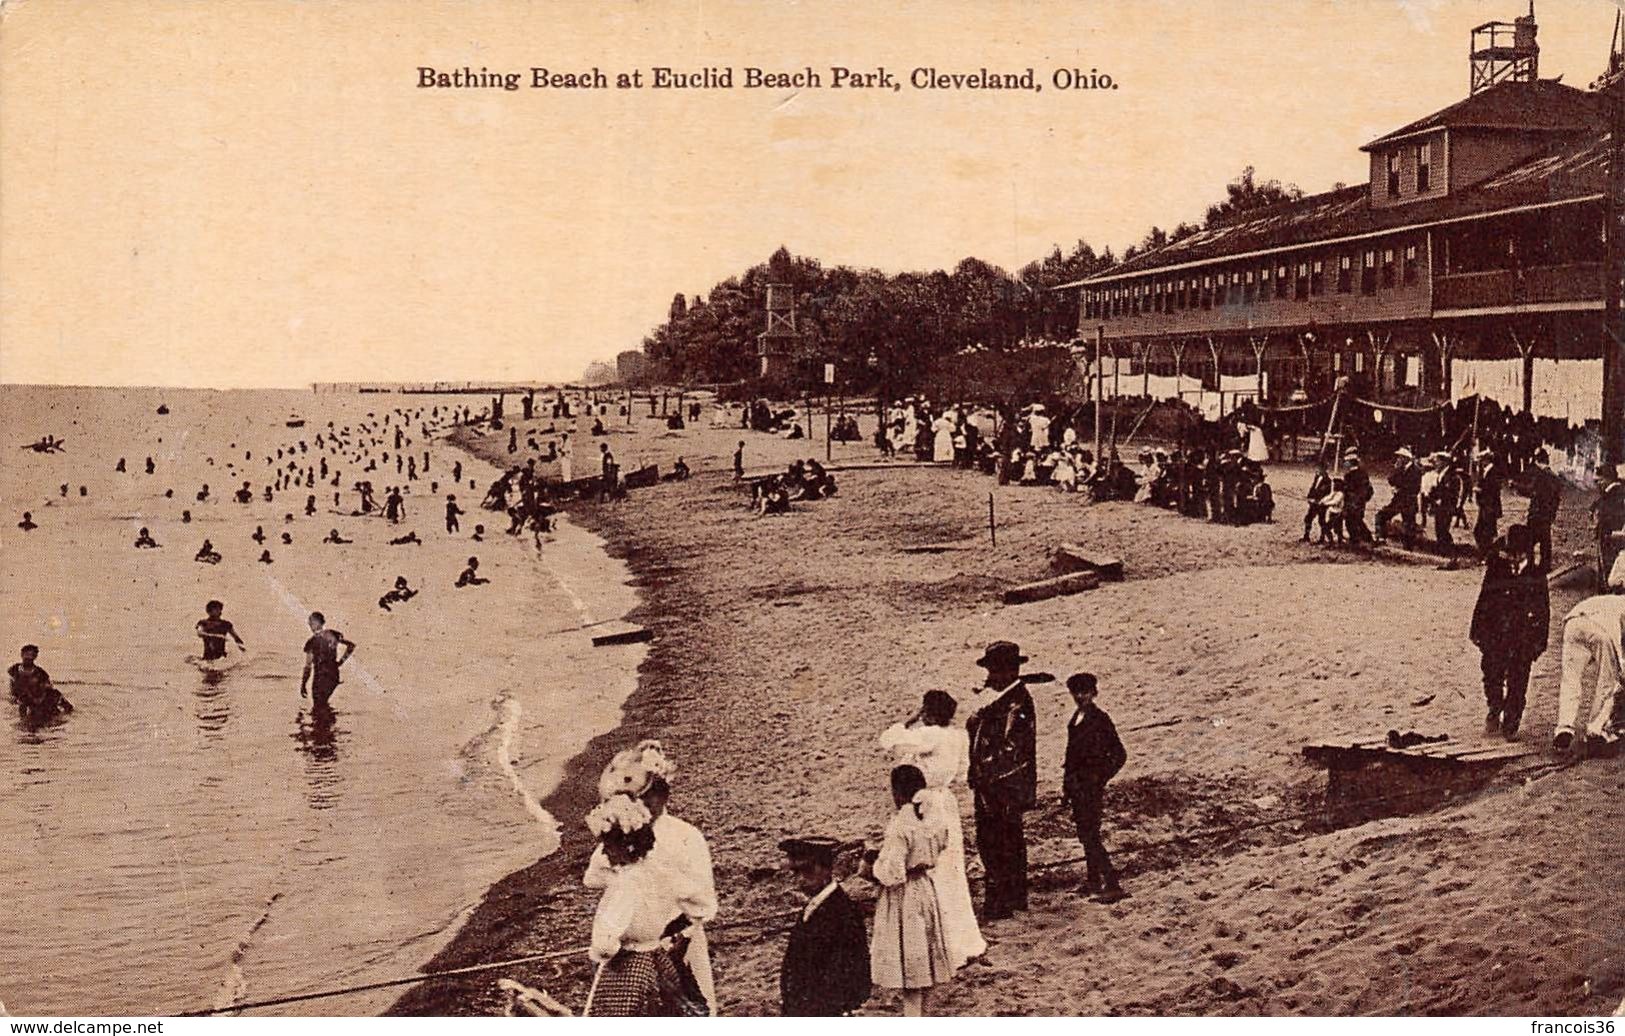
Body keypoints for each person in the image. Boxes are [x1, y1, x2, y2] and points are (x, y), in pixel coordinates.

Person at [586, 741, 718, 1014]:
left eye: (651, 797)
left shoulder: (686, 836)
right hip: (636, 940)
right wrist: (626, 875)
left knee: (687, 1006)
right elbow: (593, 877)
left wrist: (680, 934)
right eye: (639, 799)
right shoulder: (626, 833)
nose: (646, 804)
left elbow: (704, 903)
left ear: (664, 796)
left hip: (682, 938)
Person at [879, 690, 985, 968]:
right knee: (952, 871)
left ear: (928, 711)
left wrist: (910, 720)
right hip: (946, 801)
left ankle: (944, 944)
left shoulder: (929, 735)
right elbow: (962, 773)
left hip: (927, 802)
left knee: (932, 871)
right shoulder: (959, 736)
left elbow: (888, 740)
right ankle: (965, 940)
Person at [580, 795, 702, 1017]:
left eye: (607, 847)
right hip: (655, 955)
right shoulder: (656, 870)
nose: (605, 853)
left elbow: (605, 944)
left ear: (622, 847)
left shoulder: (625, 884)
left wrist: (601, 952)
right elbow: (697, 906)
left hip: (629, 964)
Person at [862, 764, 955, 1017]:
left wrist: (871, 864)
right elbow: (941, 844)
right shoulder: (932, 817)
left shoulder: (901, 823)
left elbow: (891, 873)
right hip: (925, 888)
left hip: (905, 898)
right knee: (925, 964)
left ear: (898, 792)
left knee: (911, 970)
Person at [965, 640, 1036, 920]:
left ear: (1008, 672)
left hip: (1004, 784)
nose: (990, 677)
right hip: (993, 782)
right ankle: (1013, 895)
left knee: (999, 840)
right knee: (1002, 838)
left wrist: (985, 771)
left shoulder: (1016, 703)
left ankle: (1004, 899)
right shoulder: (1002, 699)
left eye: (995, 671)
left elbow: (1012, 748)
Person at [1470, 525, 1548, 741]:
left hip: (1523, 637)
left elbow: (1543, 610)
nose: (1511, 558)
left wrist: (1539, 641)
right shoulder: (1497, 567)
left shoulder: (1536, 574)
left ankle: (1511, 722)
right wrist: (1477, 630)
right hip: (1496, 633)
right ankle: (1494, 708)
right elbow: (1484, 599)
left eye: (1516, 553)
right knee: (1491, 674)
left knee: (1518, 680)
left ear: (1525, 553)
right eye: (1509, 552)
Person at [778, 836, 871, 1017]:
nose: (800, 879)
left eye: (807, 870)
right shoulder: (813, 907)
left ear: (826, 869)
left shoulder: (843, 912)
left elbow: (853, 972)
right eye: (795, 872)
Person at [1062, 674, 1128, 902]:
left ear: (1094, 693)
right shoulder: (1076, 718)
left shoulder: (1100, 719)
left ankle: (1111, 883)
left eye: (1085, 692)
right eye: (1076, 692)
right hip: (1077, 787)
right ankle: (1093, 881)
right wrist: (1067, 788)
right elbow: (1071, 757)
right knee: (1085, 834)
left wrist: (1099, 778)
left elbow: (1119, 755)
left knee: (1091, 835)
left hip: (1090, 787)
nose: (1080, 697)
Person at [1553, 574, 1625, 759]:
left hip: (1574, 623)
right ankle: (1595, 728)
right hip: (1600, 630)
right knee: (1608, 681)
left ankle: (1564, 727)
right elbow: (1615, 635)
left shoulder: (1608, 599)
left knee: (1570, 679)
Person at [300, 612, 355, 710]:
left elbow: (308, 666)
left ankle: (324, 723)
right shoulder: (333, 634)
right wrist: (340, 662)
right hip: (333, 675)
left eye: (311, 622)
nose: (309, 624)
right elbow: (351, 646)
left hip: (320, 677)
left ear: (317, 623)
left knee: (318, 707)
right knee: (324, 704)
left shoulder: (312, 642)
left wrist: (303, 684)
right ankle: (329, 722)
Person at [1526, 449, 1563, 571]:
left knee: (1530, 540)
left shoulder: (1540, 476)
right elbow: (1557, 498)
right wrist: (1552, 513)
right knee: (1545, 540)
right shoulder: (1555, 477)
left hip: (1537, 513)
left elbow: (1532, 492)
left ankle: (1530, 565)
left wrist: (1515, 486)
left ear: (1537, 460)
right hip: (1548, 514)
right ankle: (1545, 565)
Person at [9, 645, 71, 717]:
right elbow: (12, 685)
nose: (28, 658)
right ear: (22, 655)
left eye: (31, 656)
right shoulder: (15, 669)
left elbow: (68, 708)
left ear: (35, 657)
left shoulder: (41, 673)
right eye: (26, 655)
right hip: (21, 695)